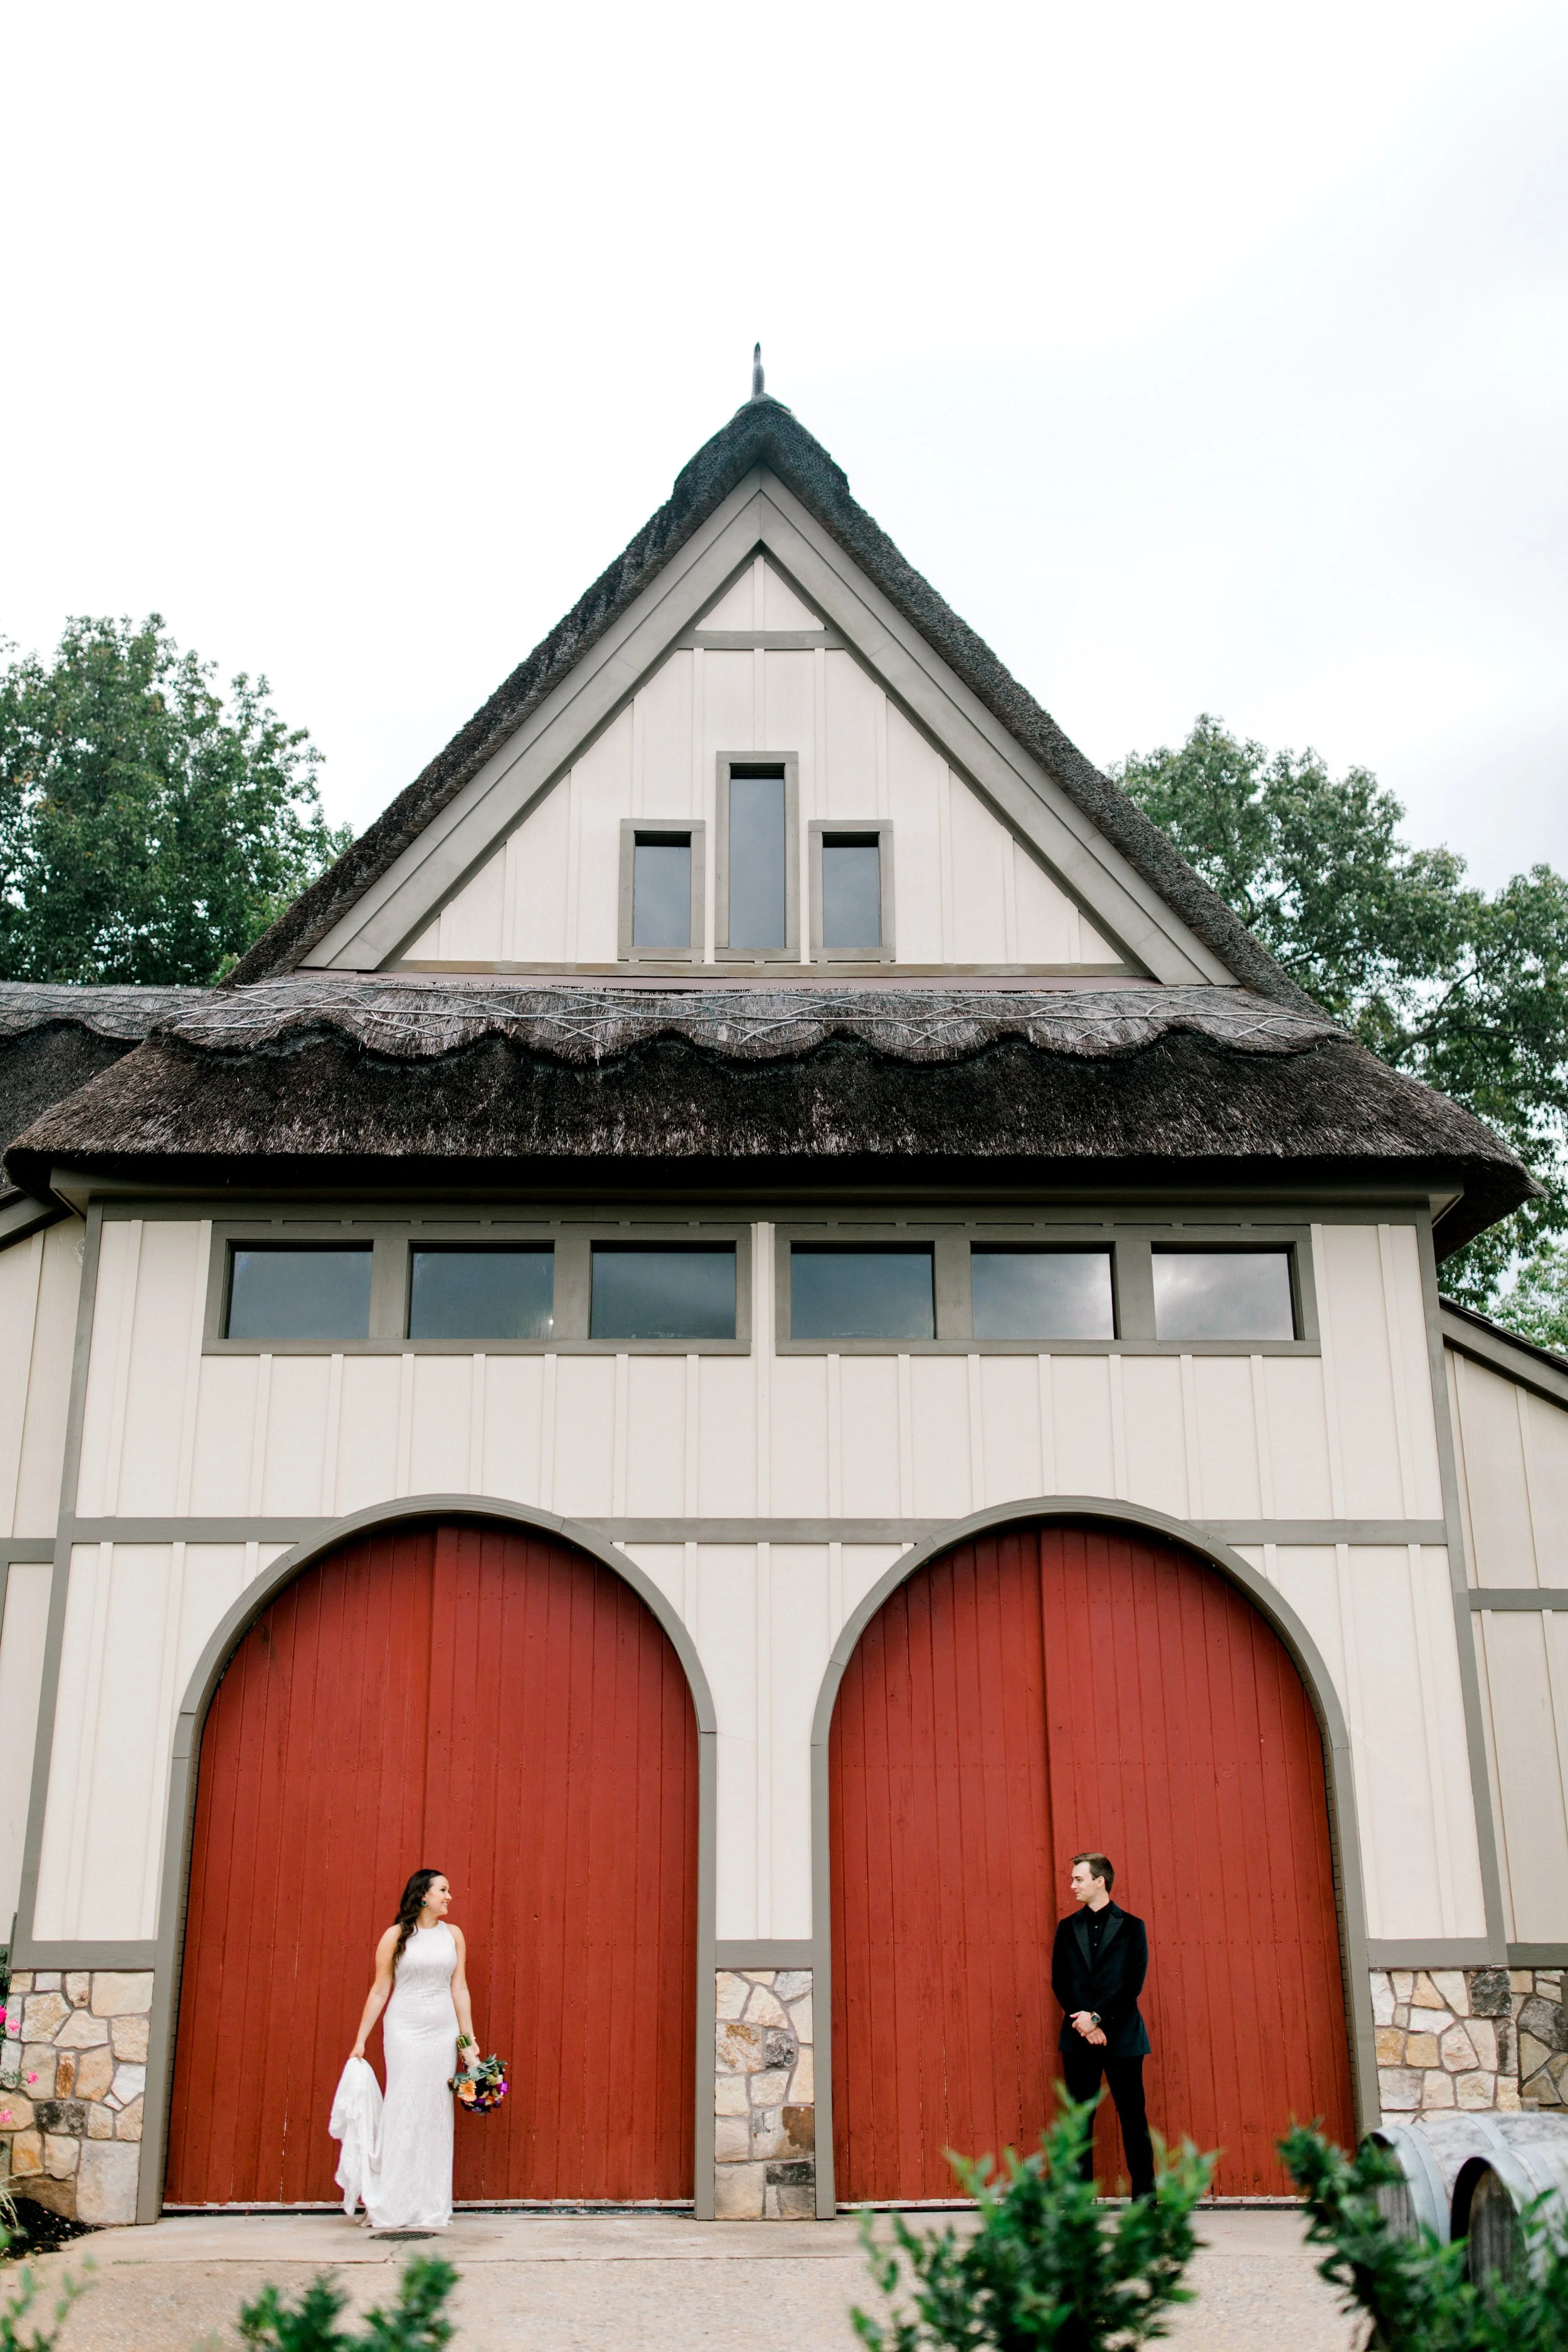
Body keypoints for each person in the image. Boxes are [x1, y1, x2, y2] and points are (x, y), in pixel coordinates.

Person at [346, 1867, 476, 2230]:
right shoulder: (396, 1936)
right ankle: (393, 2202)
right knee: (403, 2106)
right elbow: (379, 1990)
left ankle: (430, 2205)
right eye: (443, 1890)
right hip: (403, 2029)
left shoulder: (454, 1935)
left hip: (442, 2031)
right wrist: (361, 2041)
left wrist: (469, 2043)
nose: (449, 1897)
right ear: (423, 1895)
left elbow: (460, 1988)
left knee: (436, 2110)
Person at [1050, 1850, 1154, 2200]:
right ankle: (1080, 2201)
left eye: (1078, 1879)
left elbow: (1132, 1984)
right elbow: (1061, 1982)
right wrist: (1085, 2022)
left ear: (1100, 1881)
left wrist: (1098, 2018)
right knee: (1080, 2122)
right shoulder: (1067, 1928)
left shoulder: (1132, 1926)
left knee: (1133, 2119)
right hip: (1079, 2036)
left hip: (1123, 2035)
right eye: (1072, 1879)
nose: (1072, 1885)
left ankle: (1145, 2199)